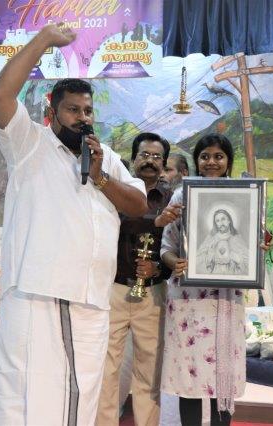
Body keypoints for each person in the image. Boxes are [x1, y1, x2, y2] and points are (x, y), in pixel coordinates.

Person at [0, 24, 148, 425]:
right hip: (44, 293)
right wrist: (43, 39)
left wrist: (101, 177)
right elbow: (0, 94)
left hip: (89, 298)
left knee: (77, 398)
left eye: (88, 110)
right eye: (73, 110)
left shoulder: (104, 156)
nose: (82, 118)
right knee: (37, 397)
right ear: (52, 112)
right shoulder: (29, 143)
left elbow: (138, 204)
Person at [155, 133, 271, 426]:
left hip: (226, 303)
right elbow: (166, 247)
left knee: (223, 378)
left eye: (218, 156)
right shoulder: (183, 196)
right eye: (205, 156)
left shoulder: (244, 196)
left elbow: (257, 243)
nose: (211, 162)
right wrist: (175, 263)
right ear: (197, 160)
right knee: (190, 377)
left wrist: (262, 246)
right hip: (189, 304)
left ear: (228, 161)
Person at [96, 132, 174, 426]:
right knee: (106, 369)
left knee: (149, 371)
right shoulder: (114, 192)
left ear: (163, 164)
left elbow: (178, 246)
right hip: (113, 289)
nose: (150, 161)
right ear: (132, 159)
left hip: (153, 294)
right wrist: (154, 222)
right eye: (144, 155)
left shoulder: (172, 200)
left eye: (157, 157)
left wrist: (159, 269)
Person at [196, 208, 249, 275]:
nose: (221, 223)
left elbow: (249, 264)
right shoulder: (211, 239)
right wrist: (208, 258)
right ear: (216, 224)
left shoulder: (237, 239)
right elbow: (197, 262)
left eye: (223, 219)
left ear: (229, 220)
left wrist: (239, 260)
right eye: (217, 221)